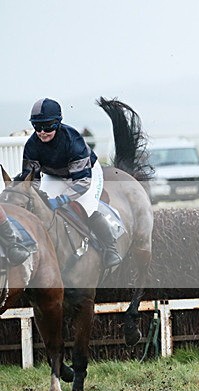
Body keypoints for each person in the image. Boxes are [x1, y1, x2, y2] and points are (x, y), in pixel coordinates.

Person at [17, 98, 122, 267]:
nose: (42, 132)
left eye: (48, 126)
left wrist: (61, 200)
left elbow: (82, 182)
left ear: (58, 123)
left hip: (86, 175)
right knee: (40, 207)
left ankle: (111, 249)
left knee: (87, 209)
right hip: (55, 175)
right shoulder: (31, 145)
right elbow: (33, 179)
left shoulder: (73, 141)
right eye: (37, 126)